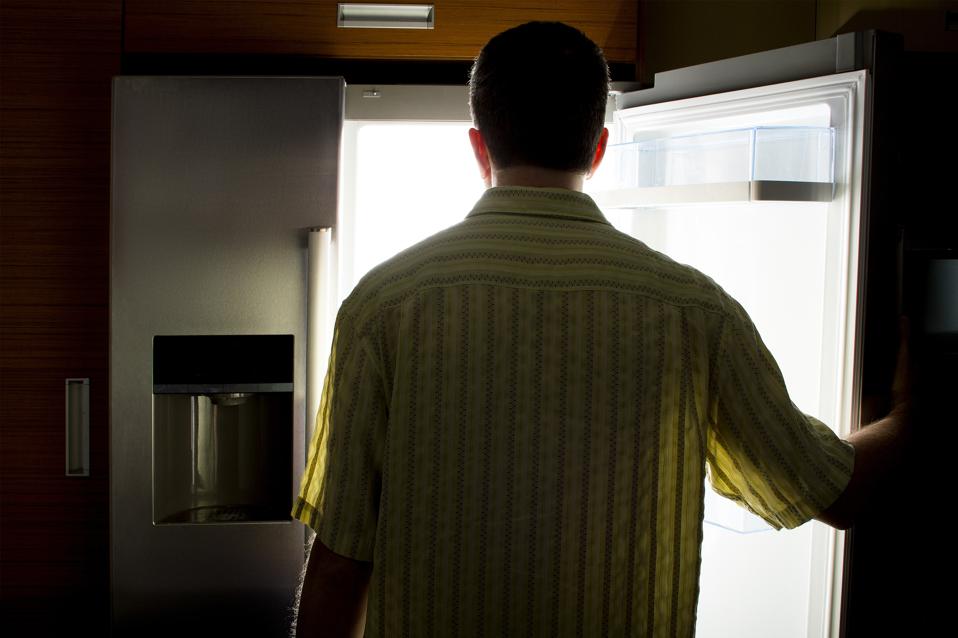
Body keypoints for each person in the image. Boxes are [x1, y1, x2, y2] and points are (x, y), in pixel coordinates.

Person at [291, 21, 910, 638]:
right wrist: (915, 412)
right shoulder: (693, 310)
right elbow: (835, 491)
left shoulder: (383, 304)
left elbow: (339, 568)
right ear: (599, 149)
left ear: (479, 149)